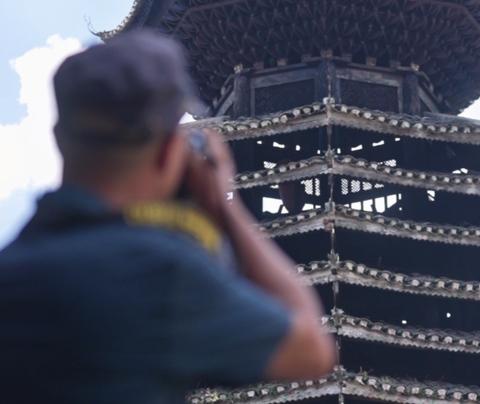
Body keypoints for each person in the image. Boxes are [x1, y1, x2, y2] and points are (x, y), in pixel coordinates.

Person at [0, 31, 336, 403]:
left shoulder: (11, 268)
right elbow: (309, 349)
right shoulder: (160, 273)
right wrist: (225, 206)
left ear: (59, 138)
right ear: (167, 153)